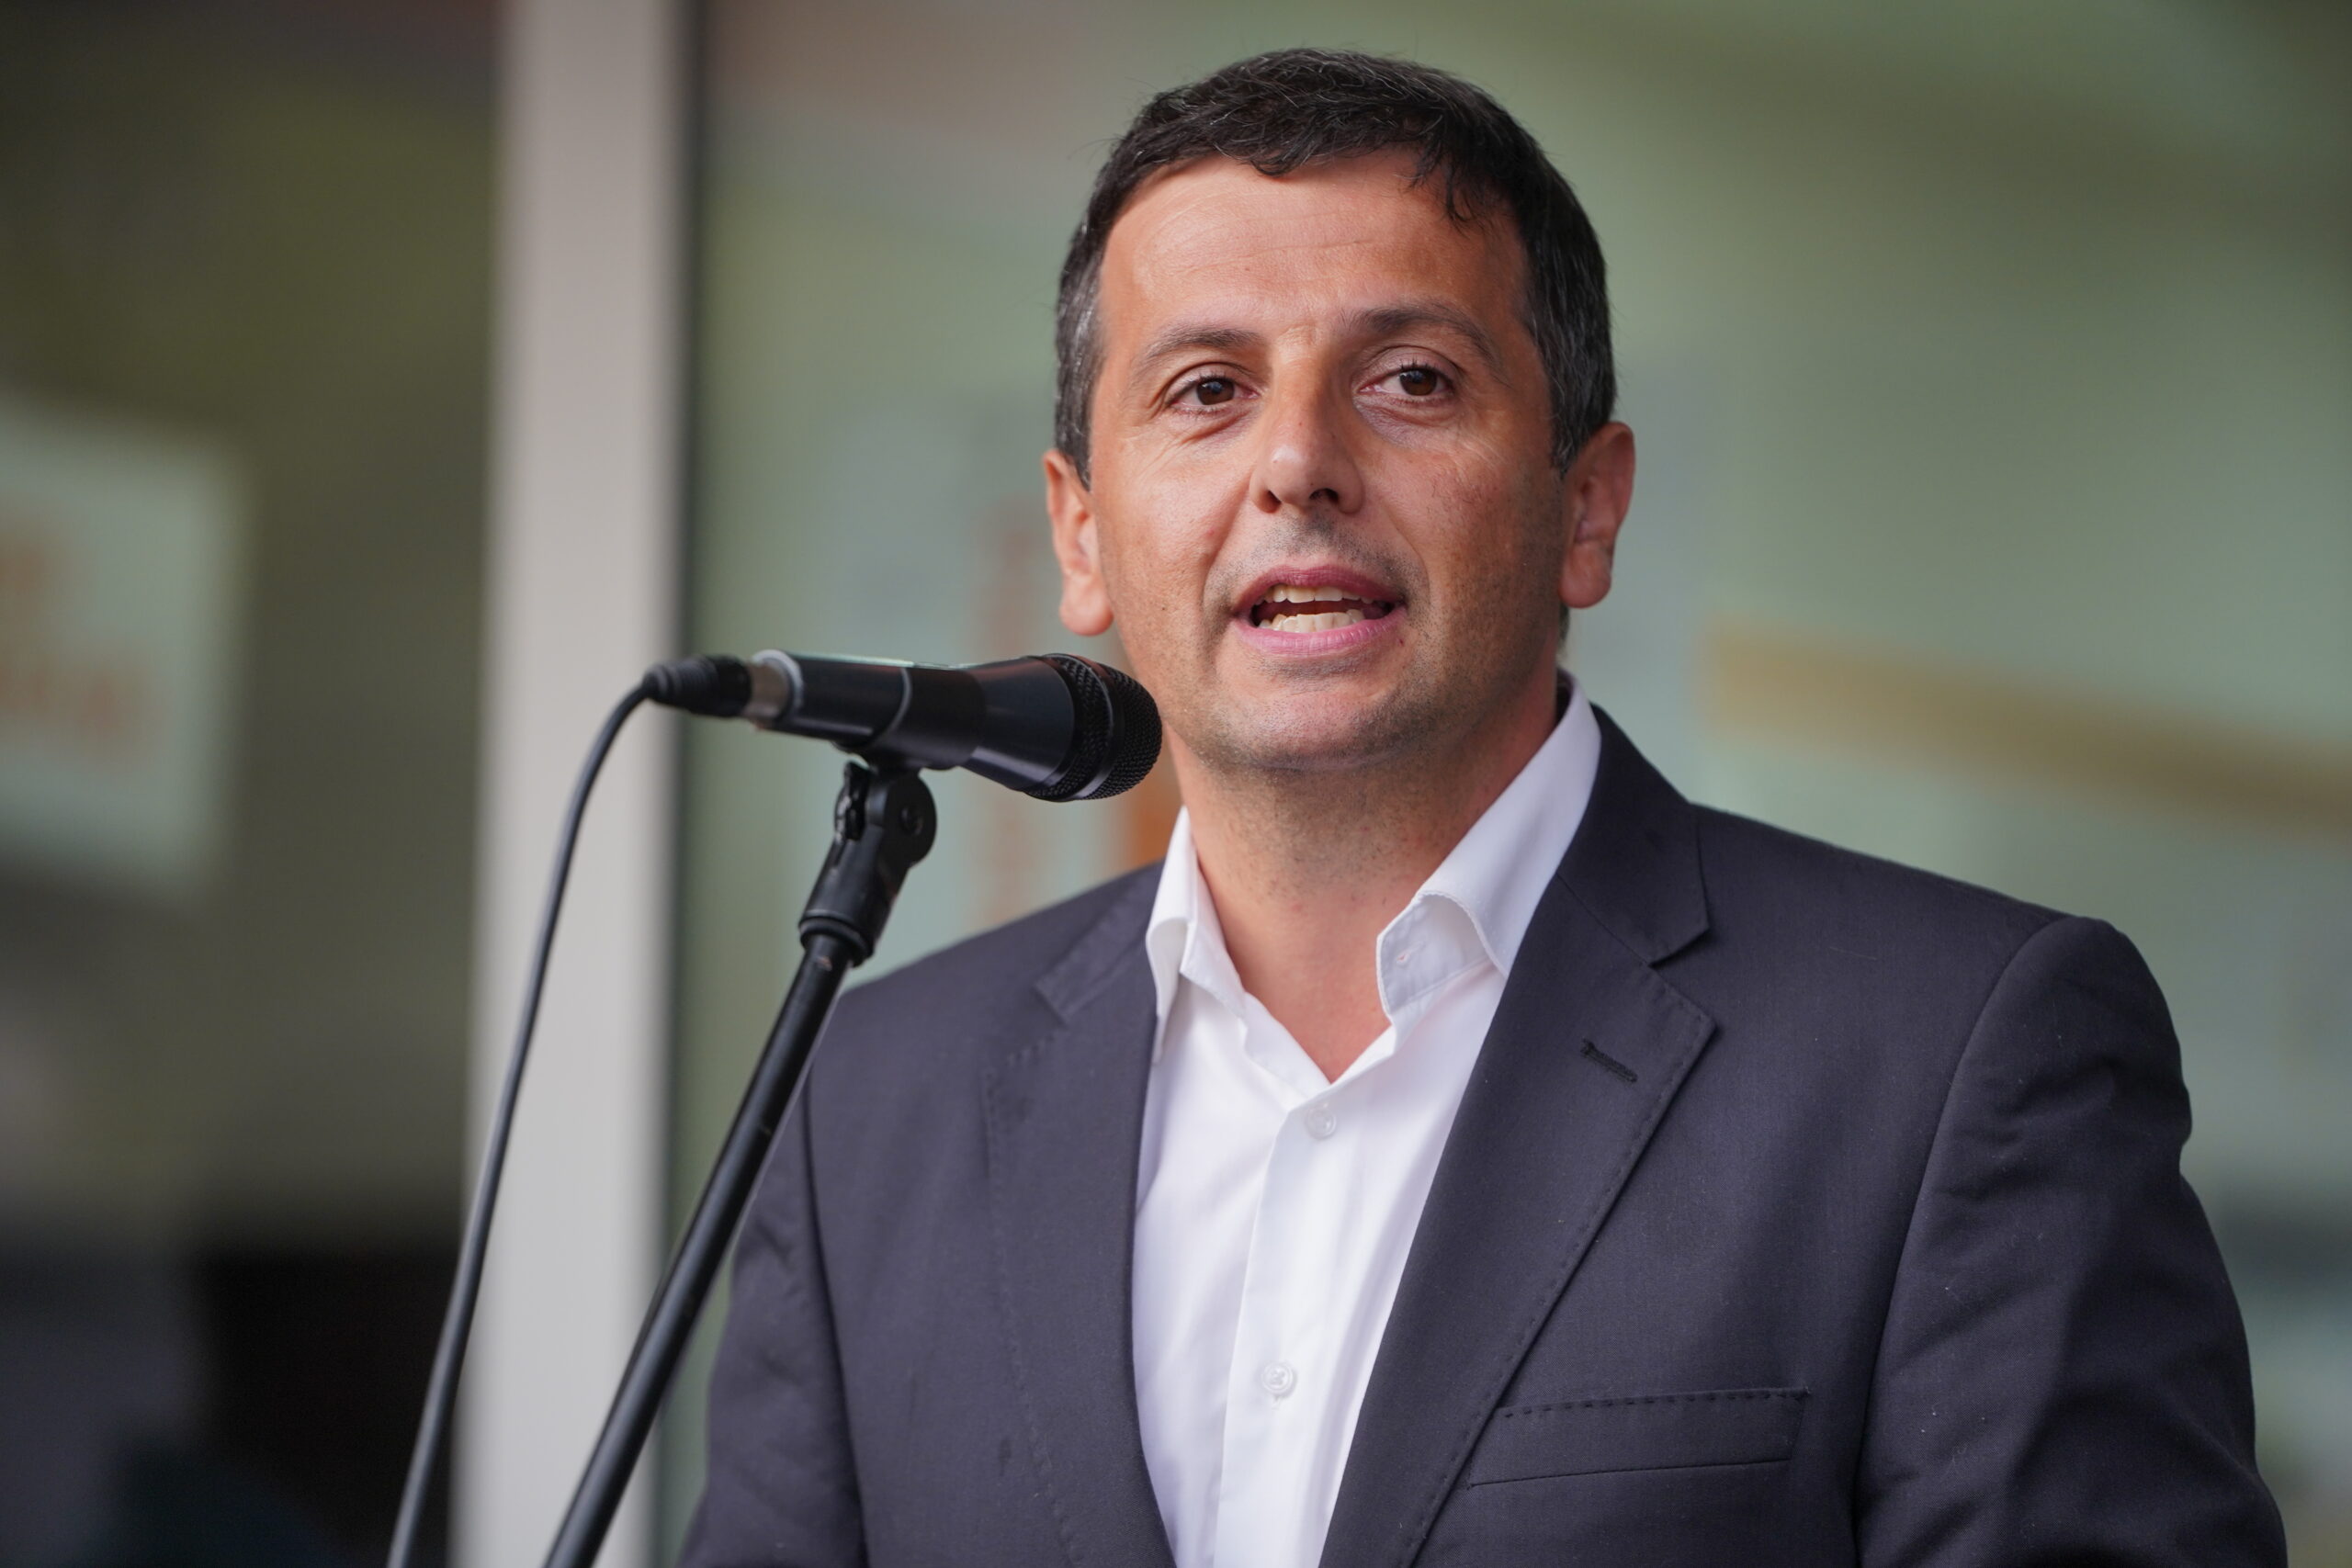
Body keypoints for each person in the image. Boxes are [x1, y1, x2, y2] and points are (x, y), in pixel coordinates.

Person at [683, 49, 2283, 1568]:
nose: (1299, 464)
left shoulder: (1958, 1057)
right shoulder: (870, 1107)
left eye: (1412, 380)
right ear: (1081, 535)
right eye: (1208, 389)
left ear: (1588, 507)